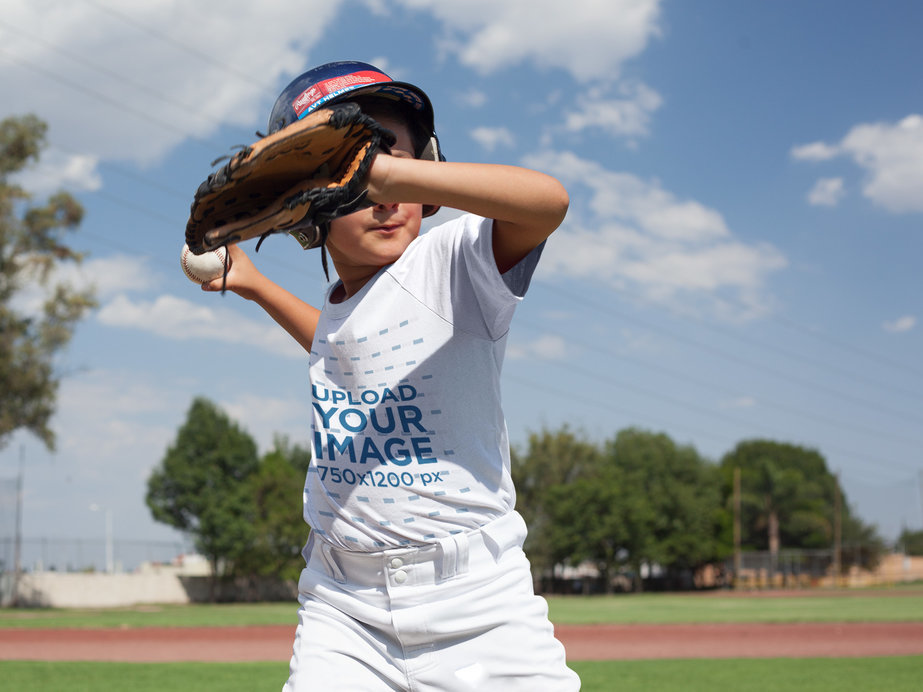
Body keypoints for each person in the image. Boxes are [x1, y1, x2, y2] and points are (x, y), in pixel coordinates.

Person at [202, 61, 581, 692]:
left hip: (477, 604)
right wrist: (255, 286)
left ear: (424, 168)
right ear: (304, 209)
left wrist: (371, 172)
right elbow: (339, 350)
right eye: (339, 176)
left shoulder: (454, 264)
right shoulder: (342, 305)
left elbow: (549, 202)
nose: (378, 193)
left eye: (387, 158)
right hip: (343, 606)